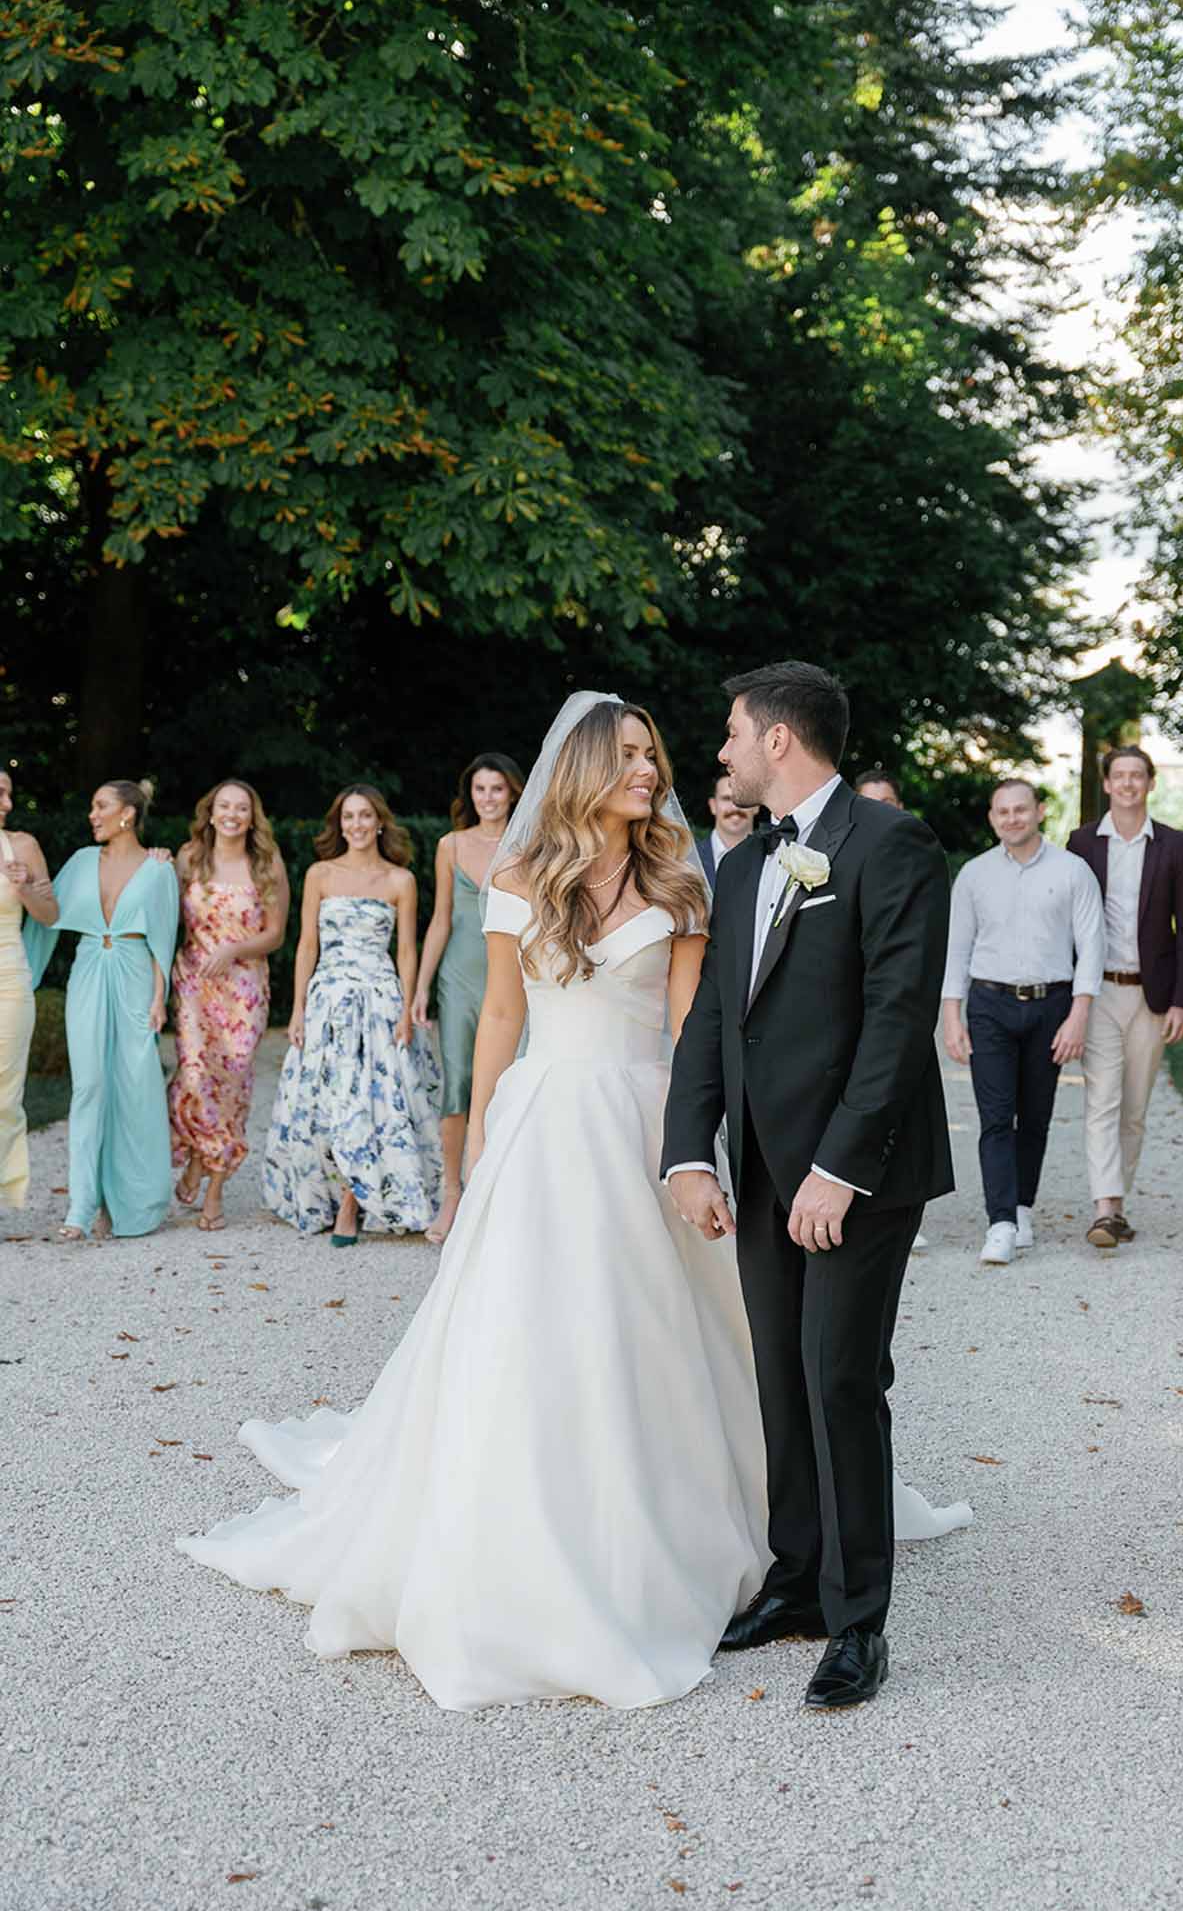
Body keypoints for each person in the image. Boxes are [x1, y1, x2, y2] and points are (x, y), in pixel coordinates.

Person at [177, 693, 967, 1713]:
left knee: (692, 1336)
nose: (657, 767)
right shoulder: (520, 876)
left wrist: (699, 1150)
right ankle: (580, 1539)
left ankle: (813, 1584)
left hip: (642, 1122)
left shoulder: (691, 877)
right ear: (588, 764)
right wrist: (471, 1152)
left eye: (662, 751)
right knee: (526, 1335)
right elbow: (502, 1009)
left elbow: (704, 1029)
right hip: (541, 1121)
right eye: (633, 752)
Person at [664, 661, 959, 1712]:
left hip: (858, 1170)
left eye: (733, 733)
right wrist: (688, 1149)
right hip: (756, 1165)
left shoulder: (894, 845)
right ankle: (793, 1580)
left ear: (779, 739)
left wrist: (837, 1167)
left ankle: (857, 1619)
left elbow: (895, 1016)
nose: (723, 752)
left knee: (837, 1375)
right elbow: (712, 1021)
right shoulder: (744, 863)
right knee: (780, 1378)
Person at [262, 785, 441, 1243]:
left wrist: (404, 1008)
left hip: (379, 1000)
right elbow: (306, 945)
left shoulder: (400, 880)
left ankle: (352, 1202)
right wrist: (298, 1008)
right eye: (348, 817)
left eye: (365, 816)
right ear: (339, 824)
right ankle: (334, 1191)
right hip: (328, 999)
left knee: (373, 1100)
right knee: (327, 1099)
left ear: (379, 822)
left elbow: (405, 949)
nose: (357, 825)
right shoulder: (320, 874)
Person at [941, 778, 1104, 1266]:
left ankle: (1022, 1206)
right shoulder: (973, 875)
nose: (1012, 818)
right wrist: (952, 1015)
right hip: (989, 1004)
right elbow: (957, 948)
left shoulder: (1073, 872)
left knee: (1035, 1116)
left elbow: (1092, 947)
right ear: (992, 818)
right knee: (995, 1117)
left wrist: (1079, 1014)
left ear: (1038, 812)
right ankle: (1001, 1223)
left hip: (1051, 1005)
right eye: (1002, 811)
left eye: (1020, 810)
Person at [24, 780, 179, 1240]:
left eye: (101, 806)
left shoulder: (159, 870)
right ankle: (81, 1205)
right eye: (93, 806)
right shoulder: (80, 862)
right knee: (89, 1086)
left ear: (127, 814)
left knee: (136, 1086)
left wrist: (158, 999)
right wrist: (25, 888)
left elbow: (163, 941)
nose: (92, 814)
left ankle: (136, 1203)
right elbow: (49, 917)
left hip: (134, 975)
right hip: (89, 971)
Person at [1067, 746, 1183, 1247]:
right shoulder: (1081, 843)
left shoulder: (1174, 845)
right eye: (1119, 776)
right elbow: (1067, 920)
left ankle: (1116, 1202)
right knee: (1101, 1098)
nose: (1127, 784)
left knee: (1135, 1106)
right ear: (1106, 784)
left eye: (1136, 776)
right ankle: (1107, 1207)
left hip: (1152, 994)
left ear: (1150, 783)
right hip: (1097, 988)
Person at [167, 780, 289, 1232]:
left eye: (242, 807)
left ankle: (213, 1186)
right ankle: (200, 1154)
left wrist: (234, 949)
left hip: (243, 988)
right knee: (196, 1076)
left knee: (233, 1080)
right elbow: (164, 913)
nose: (233, 814)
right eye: (225, 806)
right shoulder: (188, 858)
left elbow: (275, 934)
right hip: (196, 984)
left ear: (252, 816)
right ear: (211, 812)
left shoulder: (267, 864)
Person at [413, 752, 524, 1244]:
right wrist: (420, 986)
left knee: (512, 1081)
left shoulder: (530, 845)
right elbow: (440, 919)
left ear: (513, 792)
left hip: (514, 976)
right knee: (457, 1081)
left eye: (497, 789)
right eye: (480, 789)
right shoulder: (450, 845)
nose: (488, 798)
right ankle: (452, 1192)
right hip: (458, 975)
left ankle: (504, 1192)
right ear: (469, 795)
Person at [0, 768, 59, 1209]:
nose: (7, 804)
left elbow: (49, 914)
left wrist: (23, 887)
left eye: (9, 794)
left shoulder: (23, 846)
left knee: (4, 1094)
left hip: (8, 982)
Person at [699, 770, 755, 891]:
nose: (734, 807)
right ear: (713, 806)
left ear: (756, 806)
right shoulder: (690, 858)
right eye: (726, 799)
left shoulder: (772, 856)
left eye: (742, 798)